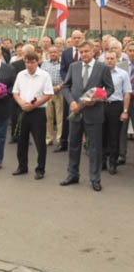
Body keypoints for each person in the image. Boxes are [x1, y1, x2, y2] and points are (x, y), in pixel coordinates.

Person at [60, 41, 114, 192]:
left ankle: (95, 178)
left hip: (94, 113)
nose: (84, 54)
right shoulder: (74, 66)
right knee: (73, 145)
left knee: (95, 147)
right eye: (81, 52)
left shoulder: (102, 67)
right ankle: (72, 175)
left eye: (86, 51)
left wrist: (98, 98)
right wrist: (71, 102)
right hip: (76, 112)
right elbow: (65, 87)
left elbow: (110, 89)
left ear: (93, 51)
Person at [11, 51, 53, 179]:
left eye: (32, 62)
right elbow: (15, 92)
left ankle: (40, 169)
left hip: (38, 112)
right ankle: (22, 166)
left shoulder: (44, 75)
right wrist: (21, 103)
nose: (29, 65)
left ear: (37, 62)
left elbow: (48, 94)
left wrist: (34, 105)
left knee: (40, 142)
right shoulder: (20, 74)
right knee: (21, 140)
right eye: (27, 62)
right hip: (23, 110)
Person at [102, 49, 130, 174]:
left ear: (117, 59)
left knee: (114, 135)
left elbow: (127, 93)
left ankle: (113, 163)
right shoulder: (100, 73)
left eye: (112, 58)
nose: (109, 61)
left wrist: (125, 111)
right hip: (101, 105)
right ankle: (102, 161)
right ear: (104, 60)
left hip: (116, 106)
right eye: (107, 58)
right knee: (101, 134)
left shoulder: (123, 74)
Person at [41, 46, 64, 147]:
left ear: (59, 53)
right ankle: (48, 138)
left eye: (55, 52)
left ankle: (59, 138)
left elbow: (67, 77)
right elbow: (41, 78)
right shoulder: (44, 64)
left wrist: (58, 87)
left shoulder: (63, 64)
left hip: (60, 92)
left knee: (60, 117)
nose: (53, 54)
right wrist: (49, 88)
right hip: (48, 93)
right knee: (48, 117)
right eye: (51, 52)